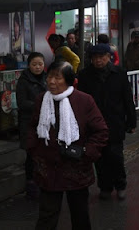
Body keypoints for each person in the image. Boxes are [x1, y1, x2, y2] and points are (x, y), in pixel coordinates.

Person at [27, 60, 108, 230]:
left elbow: (101, 131)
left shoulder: (84, 100)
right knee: (47, 216)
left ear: (69, 80)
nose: (51, 81)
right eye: (49, 77)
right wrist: (35, 151)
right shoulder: (42, 99)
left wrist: (86, 152)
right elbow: (33, 127)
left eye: (57, 78)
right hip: (48, 168)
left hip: (76, 168)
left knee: (80, 215)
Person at [77, 43, 137, 200]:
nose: (98, 61)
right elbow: (81, 102)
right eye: (95, 58)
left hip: (115, 122)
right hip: (94, 124)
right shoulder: (84, 75)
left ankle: (120, 184)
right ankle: (105, 186)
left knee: (116, 156)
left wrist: (131, 122)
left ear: (109, 57)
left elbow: (127, 99)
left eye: (102, 57)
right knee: (99, 158)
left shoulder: (119, 73)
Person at [15, 52, 47, 199]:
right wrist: (41, 105)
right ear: (29, 65)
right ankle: (31, 185)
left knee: (44, 153)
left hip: (46, 123)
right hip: (29, 123)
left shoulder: (48, 77)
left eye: (40, 64)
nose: (38, 67)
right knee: (31, 155)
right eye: (34, 64)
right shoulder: (23, 81)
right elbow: (22, 103)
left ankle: (44, 182)